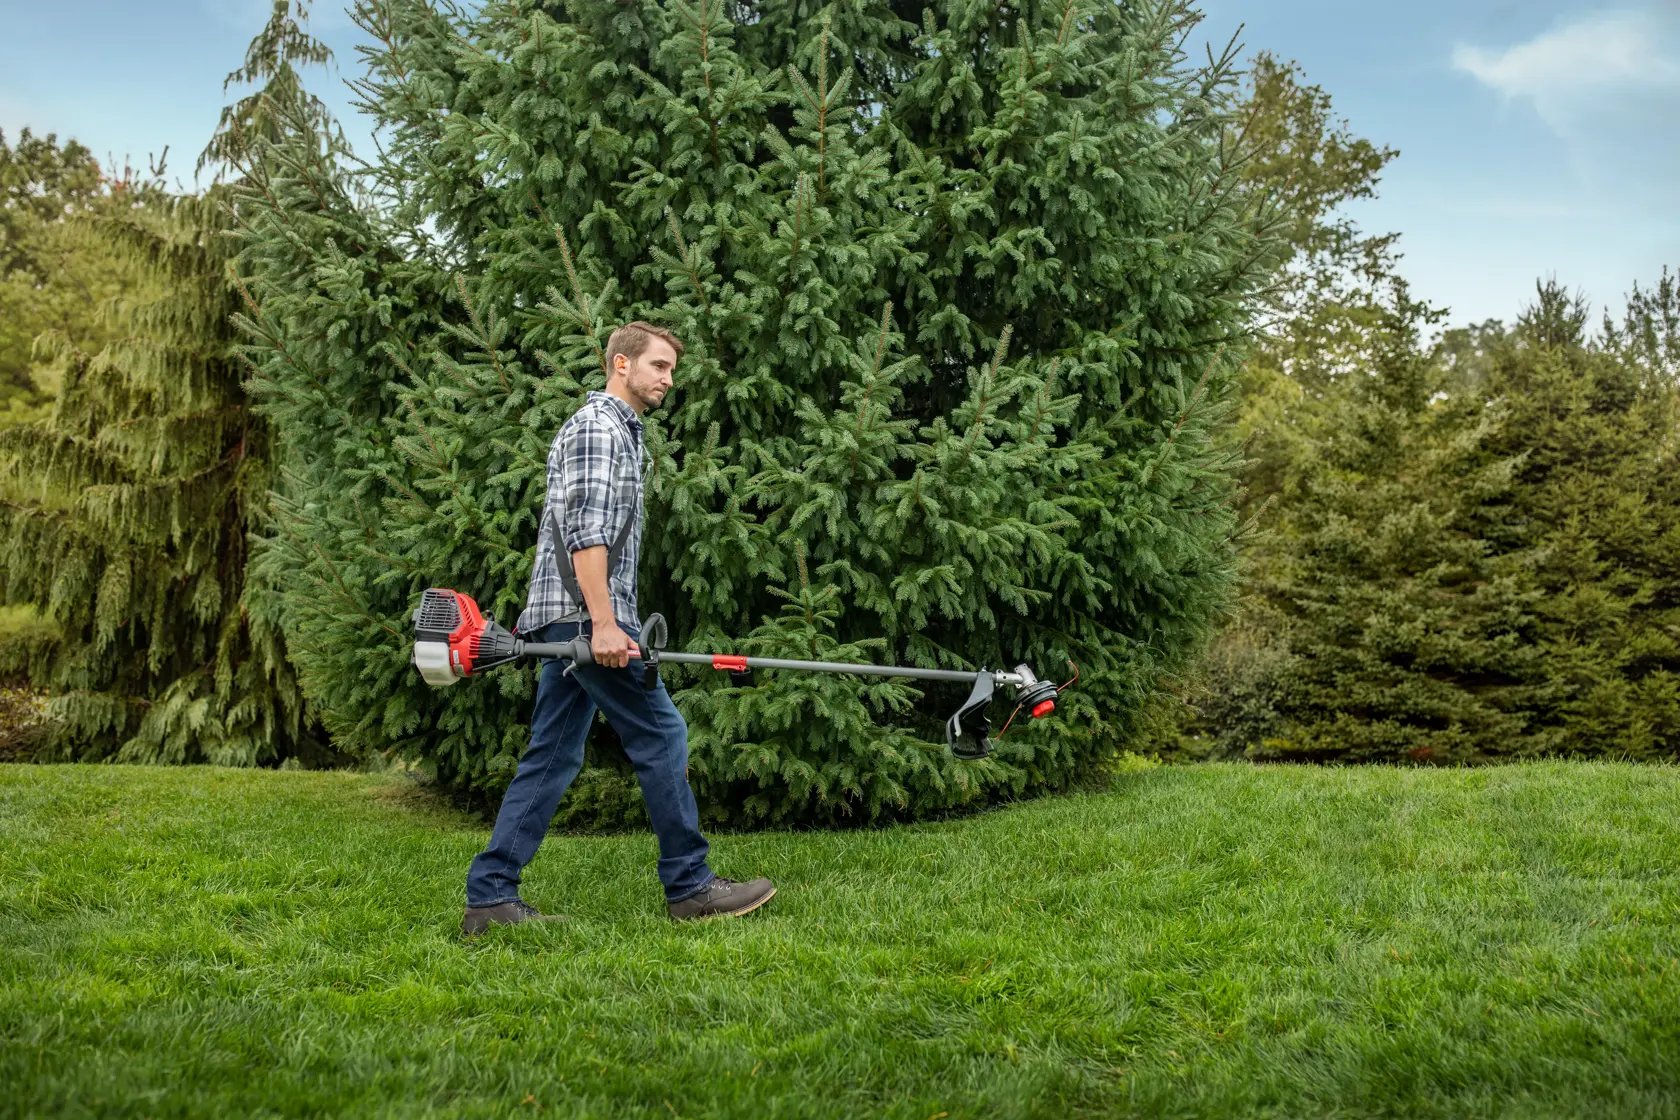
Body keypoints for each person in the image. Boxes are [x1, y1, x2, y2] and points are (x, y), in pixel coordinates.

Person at [462, 321, 775, 935]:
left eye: (671, 370)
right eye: (659, 366)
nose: (668, 379)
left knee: (552, 756)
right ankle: (690, 885)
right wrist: (604, 623)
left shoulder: (621, 435)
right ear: (621, 364)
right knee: (662, 734)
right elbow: (587, 530)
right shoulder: (598, 429)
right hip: (585, 619)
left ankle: (491, 895)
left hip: (578, 616)